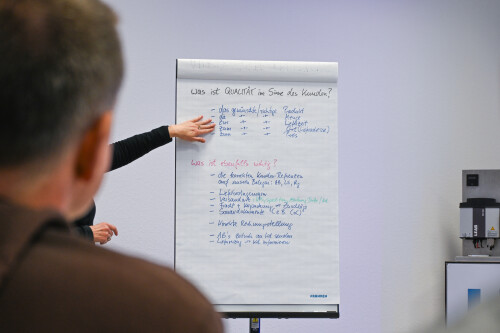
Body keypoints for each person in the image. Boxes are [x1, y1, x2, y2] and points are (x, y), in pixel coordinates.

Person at [0, 0, 223, 332]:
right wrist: (86, 234)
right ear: (94, 142)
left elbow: (115, 154)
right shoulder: (169, 312)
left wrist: (168, 132)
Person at [73, 118, 215, 244]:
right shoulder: (56, 173)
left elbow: (124, 150)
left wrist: (170, 131)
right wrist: (88, 234)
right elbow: (50, 237)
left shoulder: (73, 164)